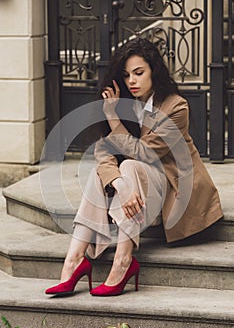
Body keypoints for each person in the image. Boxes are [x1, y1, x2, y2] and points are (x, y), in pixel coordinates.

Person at [45, 37, 223, 297]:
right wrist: (120, 186)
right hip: (138, 191)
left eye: (139, 73)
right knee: (109, 173)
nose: (132, 81)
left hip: (175, 188)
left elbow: (146, 153)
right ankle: (73, 261)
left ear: (154, 71)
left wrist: (114, 119)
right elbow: (103, 151)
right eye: (127, 75)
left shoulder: (176, 106)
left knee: (129, 164)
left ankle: (123, 262)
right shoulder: (126, 105)